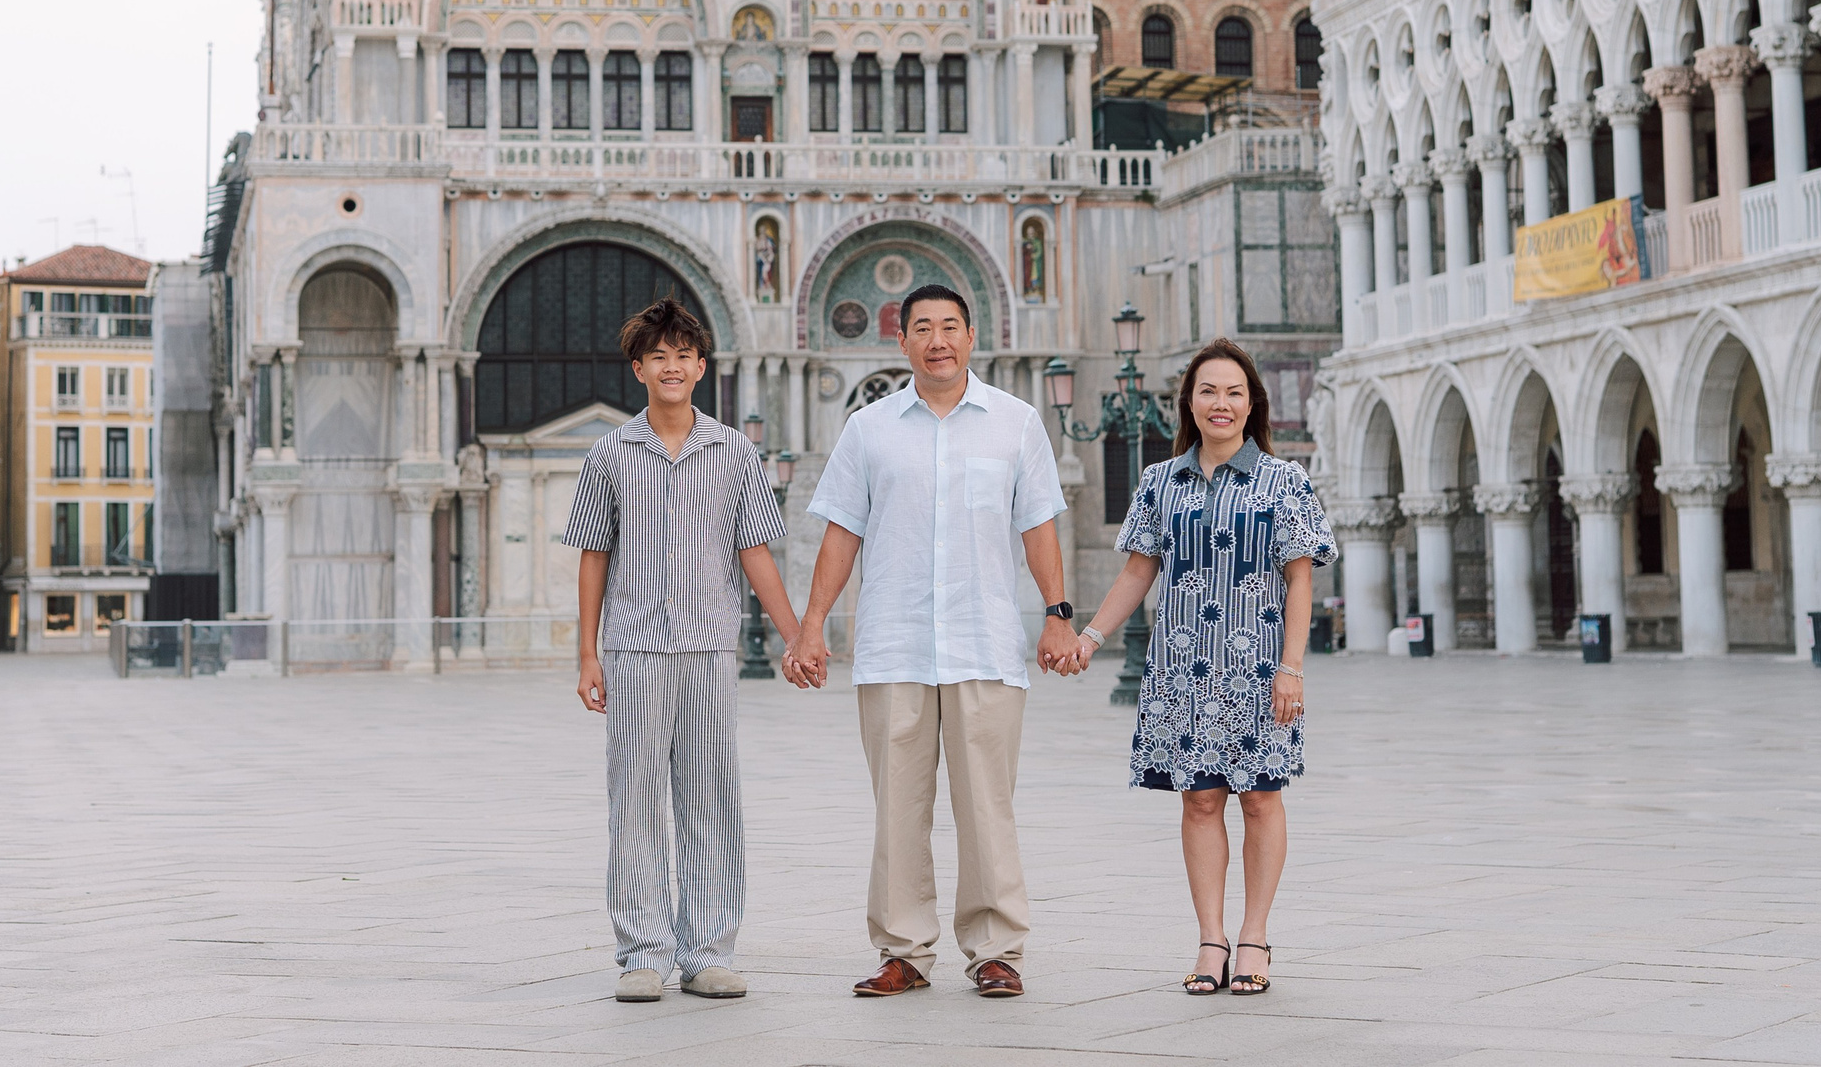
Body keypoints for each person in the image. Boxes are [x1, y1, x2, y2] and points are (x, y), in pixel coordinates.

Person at [783, 284, 1076, 999]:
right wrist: (811, 624)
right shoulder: (869, 429)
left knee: (988, 806)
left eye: (950, 326)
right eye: (922, 328)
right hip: (893, 641)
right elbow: (842, 531)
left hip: (985, 642)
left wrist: (1059, 611)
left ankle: (996, 949)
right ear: (902, 341)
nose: (938, 339)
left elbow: (1038, 523)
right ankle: (904, 951)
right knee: (897, 808)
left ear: (972, 336)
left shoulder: (1015, 422)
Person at [1072, 338, 1337, 996]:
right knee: (1199, 800)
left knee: (1262, 797)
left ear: (1253, 404)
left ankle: (1255, 935)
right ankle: (1210, 937)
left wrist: (1293, 668)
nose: (1222, 403)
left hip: (1259, 670)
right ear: (1188, 402)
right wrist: (1090, 634)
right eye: (1209, 391)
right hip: (1182, 671)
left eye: (1234, 392)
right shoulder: (1161, 482)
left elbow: (1300, 581)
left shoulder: (1285, 480)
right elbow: (1139, 570)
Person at [566, 297, 803, 1004]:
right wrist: (588, 654)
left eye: (683, 355)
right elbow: (593, 555)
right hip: (634, 651)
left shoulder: (734, 451)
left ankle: (707, 950)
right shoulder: (610, 453)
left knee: (710, 799)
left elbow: (755, 551)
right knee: (634, 802)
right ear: (638, 367)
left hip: (708, 650)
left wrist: (797, 636)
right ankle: (643, 951)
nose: (671, 365)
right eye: (657, 355)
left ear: (702, 366)